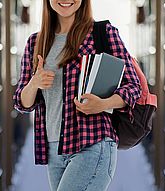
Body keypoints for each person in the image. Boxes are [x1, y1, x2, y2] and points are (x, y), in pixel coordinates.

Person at [13, 0, 142, 190]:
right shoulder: (35, 42)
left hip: (92, 143)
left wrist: (104, 103)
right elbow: (22, 103)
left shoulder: (103, 33)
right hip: (53, 150)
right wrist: (34, 83)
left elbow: (133, 86)